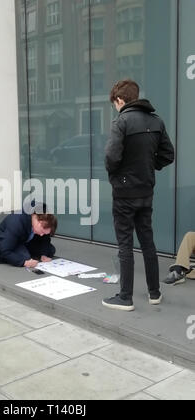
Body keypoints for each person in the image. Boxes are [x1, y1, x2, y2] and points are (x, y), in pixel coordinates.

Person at [102, 80, 174, 311]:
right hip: (145, 191)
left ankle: (125, 297)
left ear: (120, 100)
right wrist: (147, 168)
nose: (115, 106)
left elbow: (111, 158)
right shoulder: (156, 121)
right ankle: (154, 293)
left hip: (124, 193)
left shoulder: (121, 122)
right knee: (147, 242)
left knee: (125, 245)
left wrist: (117, 177)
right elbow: (168, 155)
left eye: (115, 102)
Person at [0, 203, 57, 268]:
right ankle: (26, 255)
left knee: (50, 250)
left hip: (24, 240)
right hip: (2, 244)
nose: (42, 235)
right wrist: (24, 263)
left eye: (45, 234)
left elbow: (45, 240)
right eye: (42, 232)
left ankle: (29, 253)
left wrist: (43, 254)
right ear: (39, 223)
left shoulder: (44, 221)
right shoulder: (16, 223)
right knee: (24, 257)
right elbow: (3, 250)